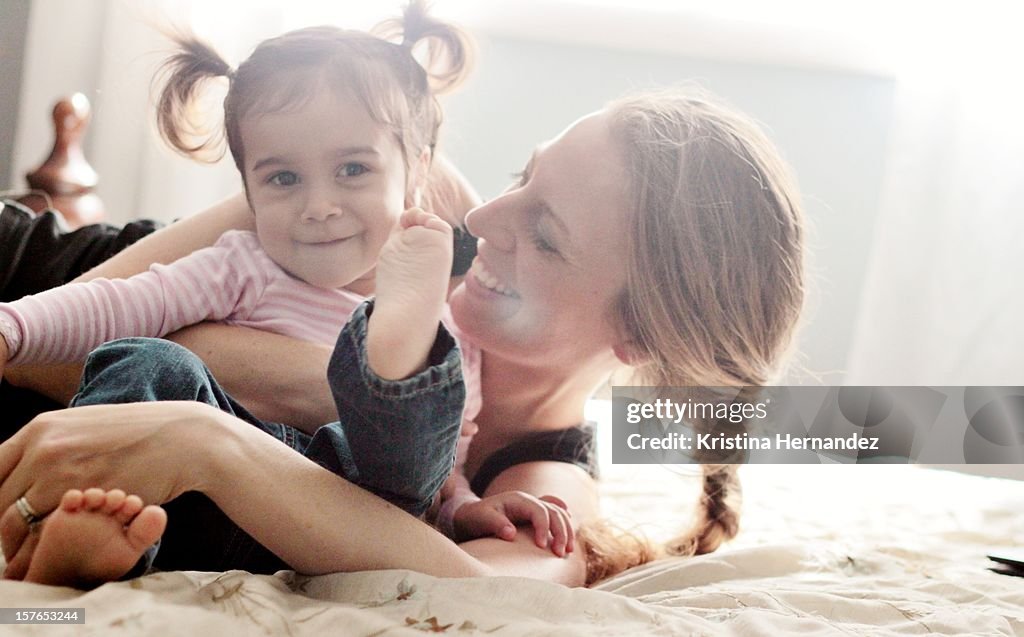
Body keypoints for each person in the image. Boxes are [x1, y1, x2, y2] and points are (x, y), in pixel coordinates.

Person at [0, 87, 806, 588]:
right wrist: (312, 384)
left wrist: (211, 443)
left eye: (547, 234)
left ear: (636, 333)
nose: (486, 220)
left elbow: (495, 590)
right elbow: (61, 330)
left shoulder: (540, 477)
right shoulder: (409, 206)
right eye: (524, 177)